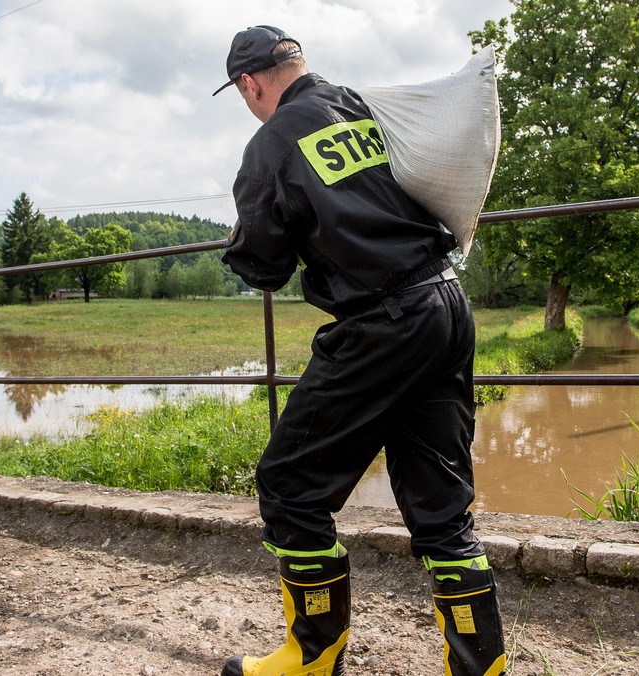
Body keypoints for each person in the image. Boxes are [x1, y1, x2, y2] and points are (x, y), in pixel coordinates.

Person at [214, 26, 506, 676]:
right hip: (445, 302)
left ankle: (311, 660)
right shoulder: (359, 105)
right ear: (298, 64)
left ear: (249, 84)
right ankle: (482, 669)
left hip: (384, 318)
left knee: (290, 486)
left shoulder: (271, 144)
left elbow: (263, 266)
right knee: (442, 508)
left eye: (243, 93)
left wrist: (239, 236)